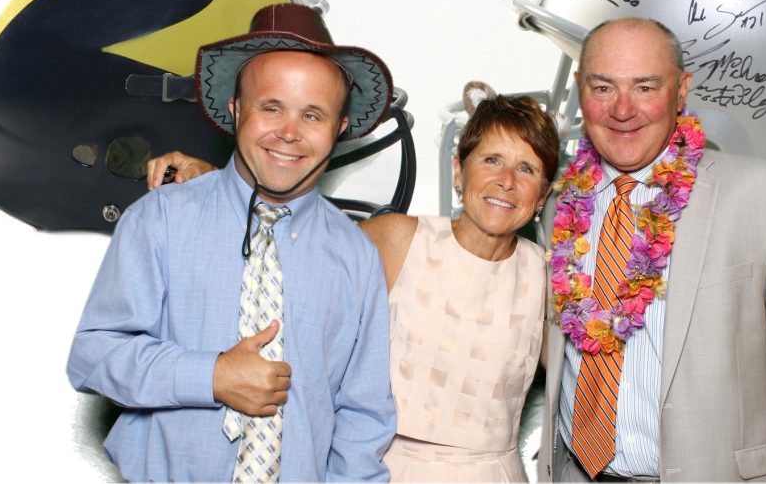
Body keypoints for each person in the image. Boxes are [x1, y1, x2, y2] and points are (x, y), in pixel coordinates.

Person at [149, 93, 562, 481]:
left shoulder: (548, 275)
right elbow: (288, 252)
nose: (506, 180)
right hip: (381, 468)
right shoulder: (400, 239)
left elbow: (585, 372)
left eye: (526, 169)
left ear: (542, 193)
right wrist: (216, 189)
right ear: (459, 169)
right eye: (491, 159)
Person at [67, 3, 396, 482]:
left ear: (339, 130)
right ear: (236, 109)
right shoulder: (160, 217)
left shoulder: (357, 257)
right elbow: (93, 356)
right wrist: (211, 376)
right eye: (271, 107)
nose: (289, 132)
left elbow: (363, 419)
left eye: (312, 114)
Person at [538, 17, 766, 482]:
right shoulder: (558, 205)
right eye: (603, 87)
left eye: (645, 87)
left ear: (681, 91)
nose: (622, 109)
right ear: (580, 89)